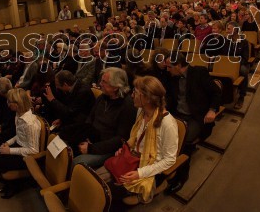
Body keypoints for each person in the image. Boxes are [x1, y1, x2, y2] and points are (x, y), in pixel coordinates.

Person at [106, 76, 179, 207]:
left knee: (108, 193)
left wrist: (140, 173)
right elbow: (136, 139)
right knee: (99, 181)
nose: (132, 95)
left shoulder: (168, 124)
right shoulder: (141, 111)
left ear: (147, 98)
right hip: (133, 158)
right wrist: (125, 148)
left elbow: (170, 159)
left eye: (135, 93)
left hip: (149, 167)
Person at [164, 53, 222, 194]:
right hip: (178, 114)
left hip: (196, 116)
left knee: (184, 140)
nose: (167, 70)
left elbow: (216, 92)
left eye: (169, 67)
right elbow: (171, 98)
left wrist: (212, 110)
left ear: (178, 66)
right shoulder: (173, 77)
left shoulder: (198, 73)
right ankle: (166, 168)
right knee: (163, 134)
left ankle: (182, 175)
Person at [60, 67, 136, 168]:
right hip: (92, 139)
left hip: (107, 148)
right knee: (62, 145)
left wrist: (91, 148)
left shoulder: (127, 106)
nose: (100, 83)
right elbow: (90, 119)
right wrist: (86, 137)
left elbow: (120, 139)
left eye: (104, 82)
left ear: (116, 87)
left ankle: (71, 182)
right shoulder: (103, 97)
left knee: (77, 162)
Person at [0, 88, 41, 198]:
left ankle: (14, 185)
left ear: (18, 104)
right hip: (19, 147)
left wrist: (10, 150)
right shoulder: (18, 114)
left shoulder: (30, 124)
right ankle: (9, 182)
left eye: (10, 102)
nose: (7, 103)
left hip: (26, 156)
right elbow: (19, 135)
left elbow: (33, 150)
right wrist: (8, 143)